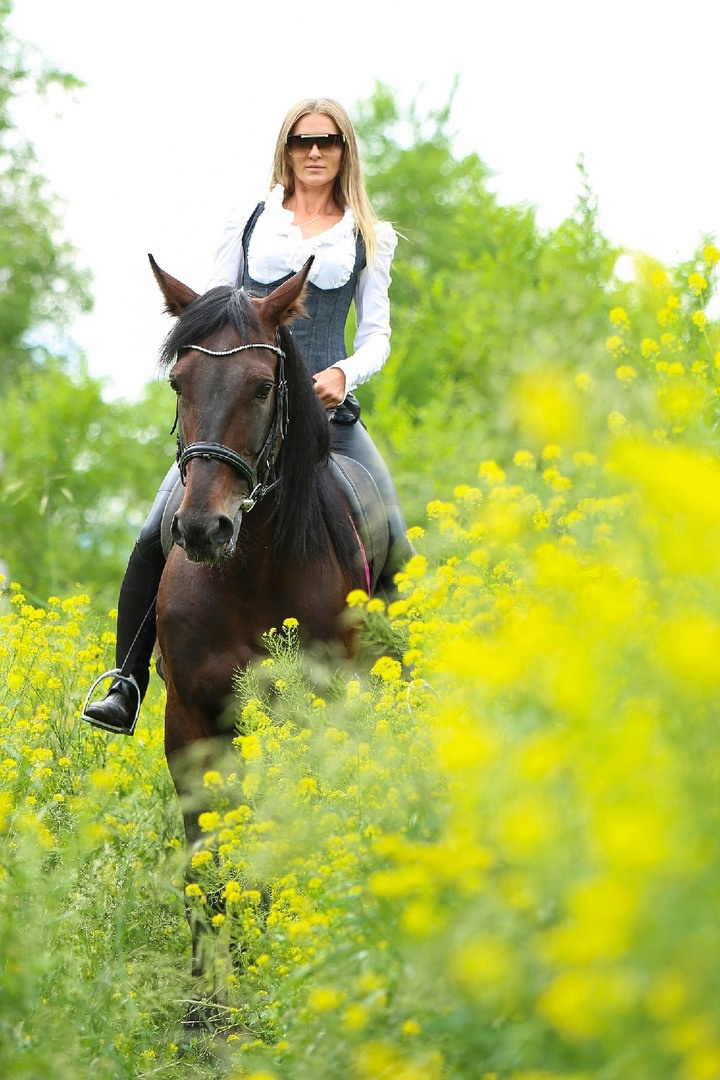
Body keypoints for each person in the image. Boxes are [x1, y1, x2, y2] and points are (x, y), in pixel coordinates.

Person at [83, 96, 411, 736]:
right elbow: (215, 307)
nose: (313, 152)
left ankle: (406, 683)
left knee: (392, 531)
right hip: (239, 414)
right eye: (300, 140)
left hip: (325, 418)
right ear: (285, 149)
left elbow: (376, 334)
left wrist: (343, 373)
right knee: (156, 531)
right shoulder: (251, 219)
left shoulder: (371, 234)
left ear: (345, 151)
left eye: (328, 141)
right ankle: (126, 680)